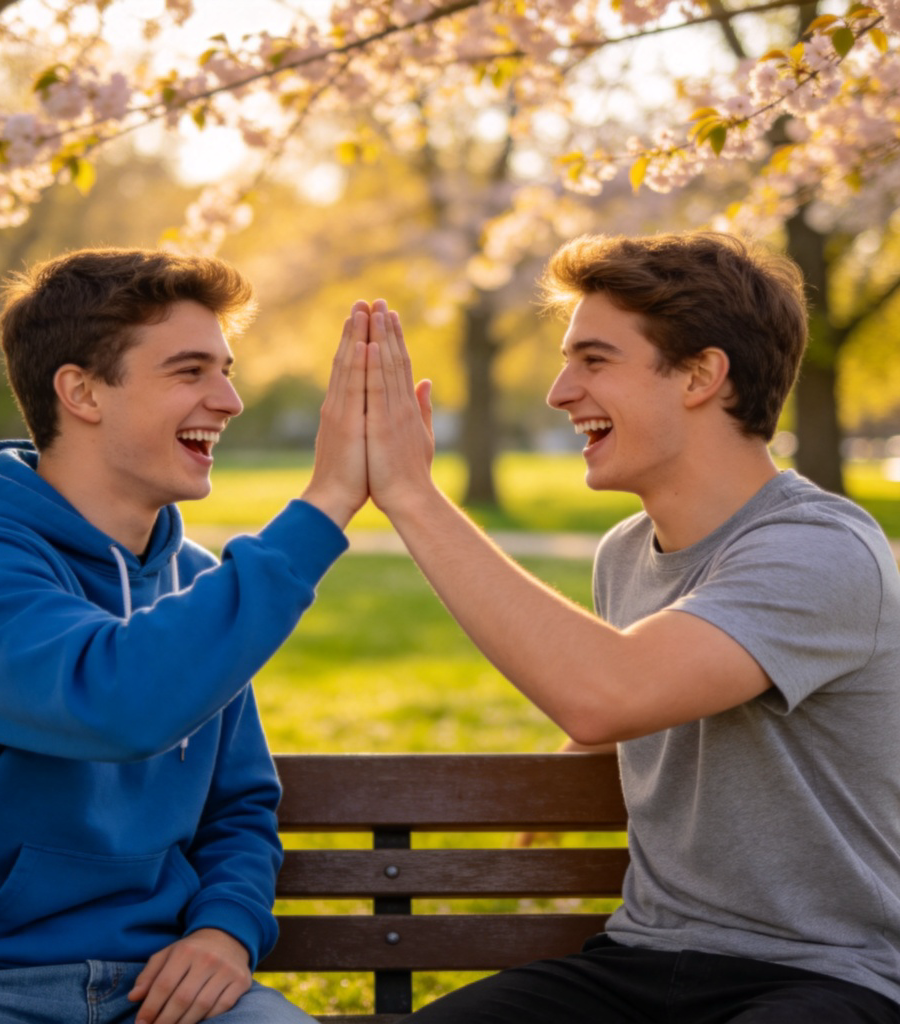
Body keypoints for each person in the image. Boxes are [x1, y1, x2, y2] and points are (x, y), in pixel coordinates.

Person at [361, 232, 900, 1023]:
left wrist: (413, 495)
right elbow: (648, 691)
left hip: (825, 976)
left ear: (700, 375)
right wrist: (576, 762)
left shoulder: (820, 551)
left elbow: (610, 690)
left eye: (594, 359)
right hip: (644, 958)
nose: (558, 390)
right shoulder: (626, 555)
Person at [0, 247, 369, 1024]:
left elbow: (237, 806)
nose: (231, 399)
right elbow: (113, 701)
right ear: (81, 392)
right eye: (190, 371)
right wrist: (327, 502)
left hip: (167, 987)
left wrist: (224, 933)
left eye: (226, 368)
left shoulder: (196, 583)